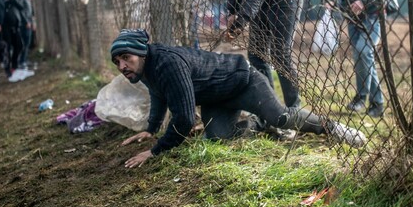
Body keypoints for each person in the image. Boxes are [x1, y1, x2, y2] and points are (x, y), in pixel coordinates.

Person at [109, 29, 366, 169]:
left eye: (126, 58)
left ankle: (331, 127)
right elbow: (158, 93)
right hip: (216, 98)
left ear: (141, 53)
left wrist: (155, 151)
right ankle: (260, 123)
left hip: (243, 80)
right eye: (118, 62)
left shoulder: (167, 64)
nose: (122, 66)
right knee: (220, 137)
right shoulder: (145, 67)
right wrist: (151, 129)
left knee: (281, 116)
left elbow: (185, 119)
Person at [325, 0, 395, 118]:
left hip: (373, 14)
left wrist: (363, 0)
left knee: (364, 51)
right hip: (351, 18)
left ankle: (372, 100)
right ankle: (366, 100)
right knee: (361, 56)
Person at [0, 0, 31, 82]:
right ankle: (8, 70)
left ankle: (14, 65)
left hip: (15, 26)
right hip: (4, 28)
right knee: (6, 49)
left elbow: (21, 8)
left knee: (19, 45)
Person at [15, 0, 34, 69]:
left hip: (29, 23)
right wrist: (26, 22)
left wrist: (32, 22)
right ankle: (21, 61)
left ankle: (24, 60)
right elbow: (21, 11)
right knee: (23, 43)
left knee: (27, 43)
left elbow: (30, 12)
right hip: (23, 24)